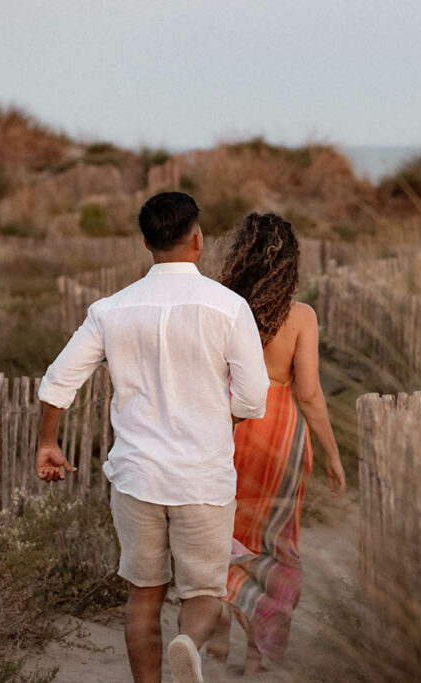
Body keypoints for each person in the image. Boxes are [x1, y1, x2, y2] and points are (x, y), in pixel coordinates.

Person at [34, 192, 270, 683]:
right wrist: (218, 419)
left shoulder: (111, 309)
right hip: (202, 476)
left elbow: (60, 379)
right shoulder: (229, 308)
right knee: (202, 593)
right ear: (199, 240)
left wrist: (48, 444)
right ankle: (188, 642)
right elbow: (252, 399)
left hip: (137, 475)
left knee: (142, 595)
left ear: (145, 241)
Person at [205, 212, 347, 675]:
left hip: (229, 430)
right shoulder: (302, 317)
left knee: (224, 536)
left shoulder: (223, 307)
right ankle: (256, 655)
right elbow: (308, 393)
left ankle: (222, 632)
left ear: (240, 256)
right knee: (274, 546)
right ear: (290, 262)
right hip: (281, 439)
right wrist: (332, 452)